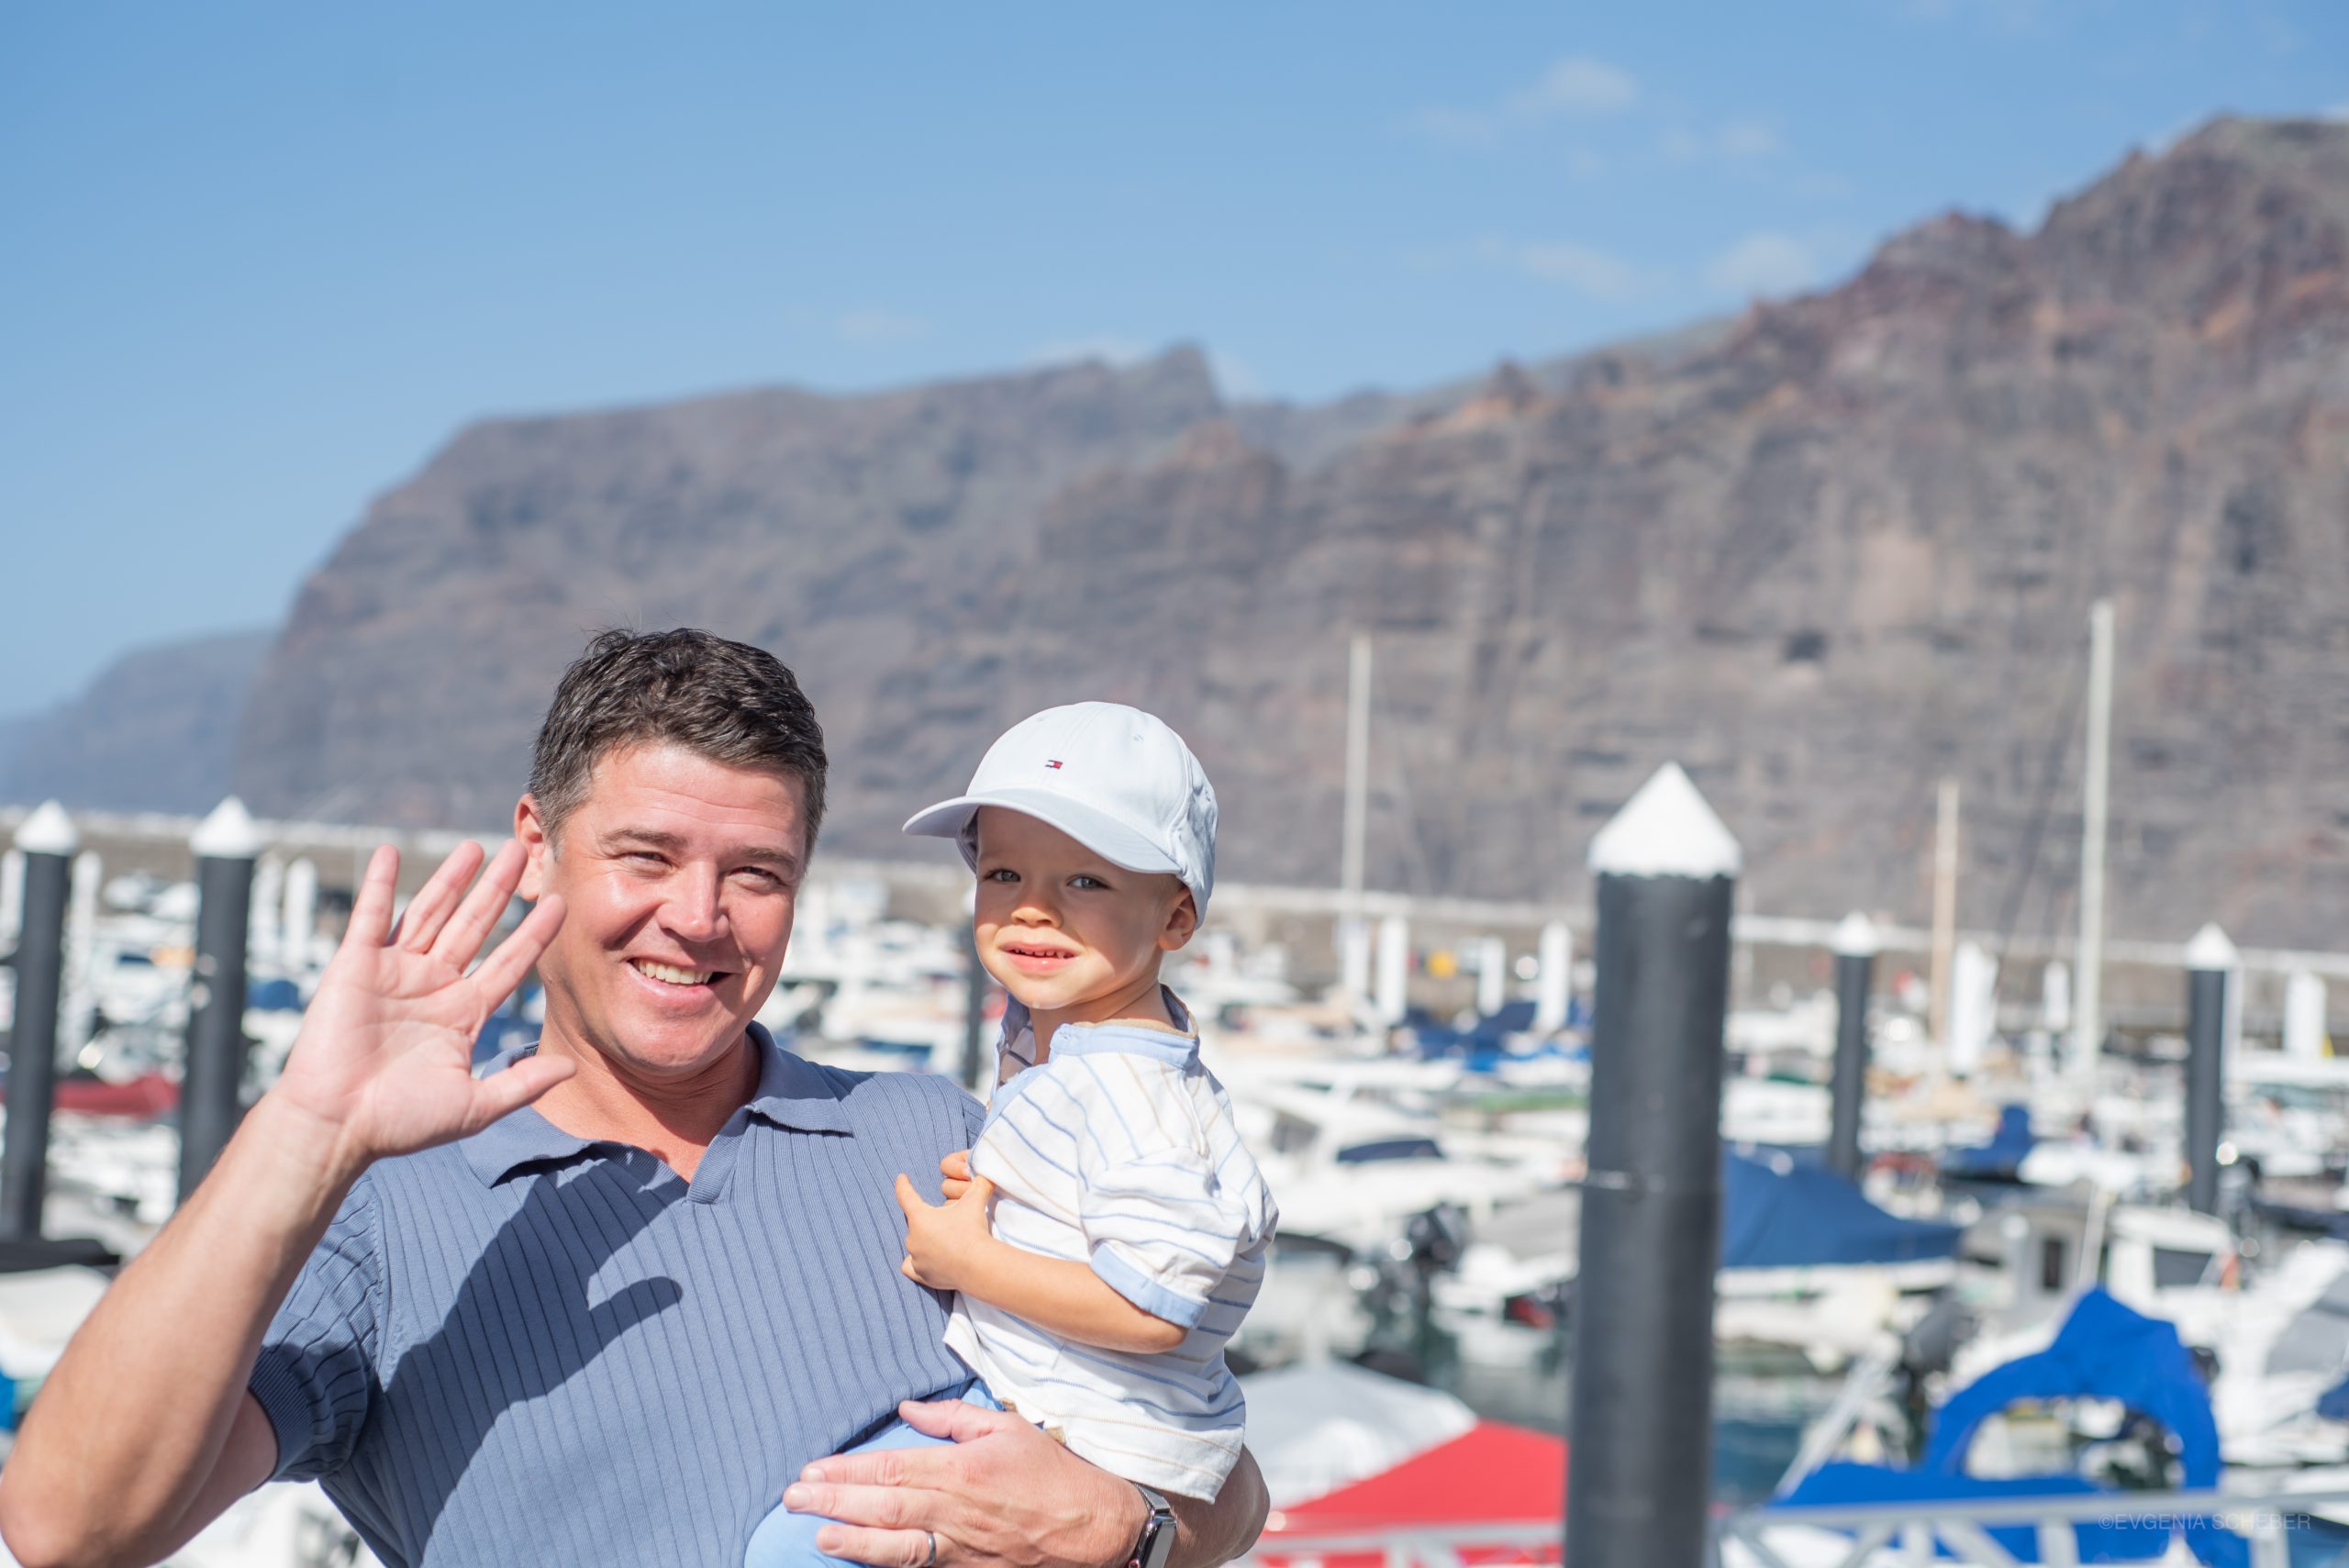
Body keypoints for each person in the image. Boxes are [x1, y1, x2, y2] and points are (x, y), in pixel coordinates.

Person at [0, 630, 1267, 1568]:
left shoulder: (927, 1131)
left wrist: (1129, 1529)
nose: (698, 917)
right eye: (646, 855)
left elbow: (1228, 1476)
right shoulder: (383, 1212)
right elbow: (67, 1527)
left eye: (755, 872)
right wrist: (304, 1131)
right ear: (536, 846)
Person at [748, 704, 1275, 1568]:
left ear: (1176, 918)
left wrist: (971, 1261)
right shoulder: (1082, 1053)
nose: (1033, 909)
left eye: (1086, 881)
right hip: (1071, 1418)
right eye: (1002, 873)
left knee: (798, 1545)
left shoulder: (1132, 1092)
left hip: (1079, 1434)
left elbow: (1153, 1309)